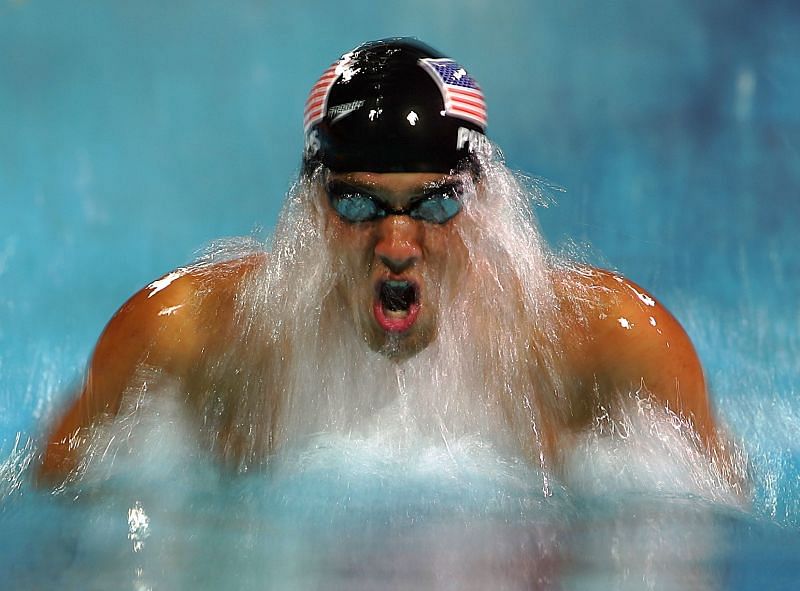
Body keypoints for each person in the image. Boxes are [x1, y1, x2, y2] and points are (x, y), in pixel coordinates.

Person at [38, 38, 742, 491]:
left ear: (486, 207)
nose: (399, 244)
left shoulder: (614, 351)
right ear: (312, 210)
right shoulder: (184, 341)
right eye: (360, 206)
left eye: (434, 207)